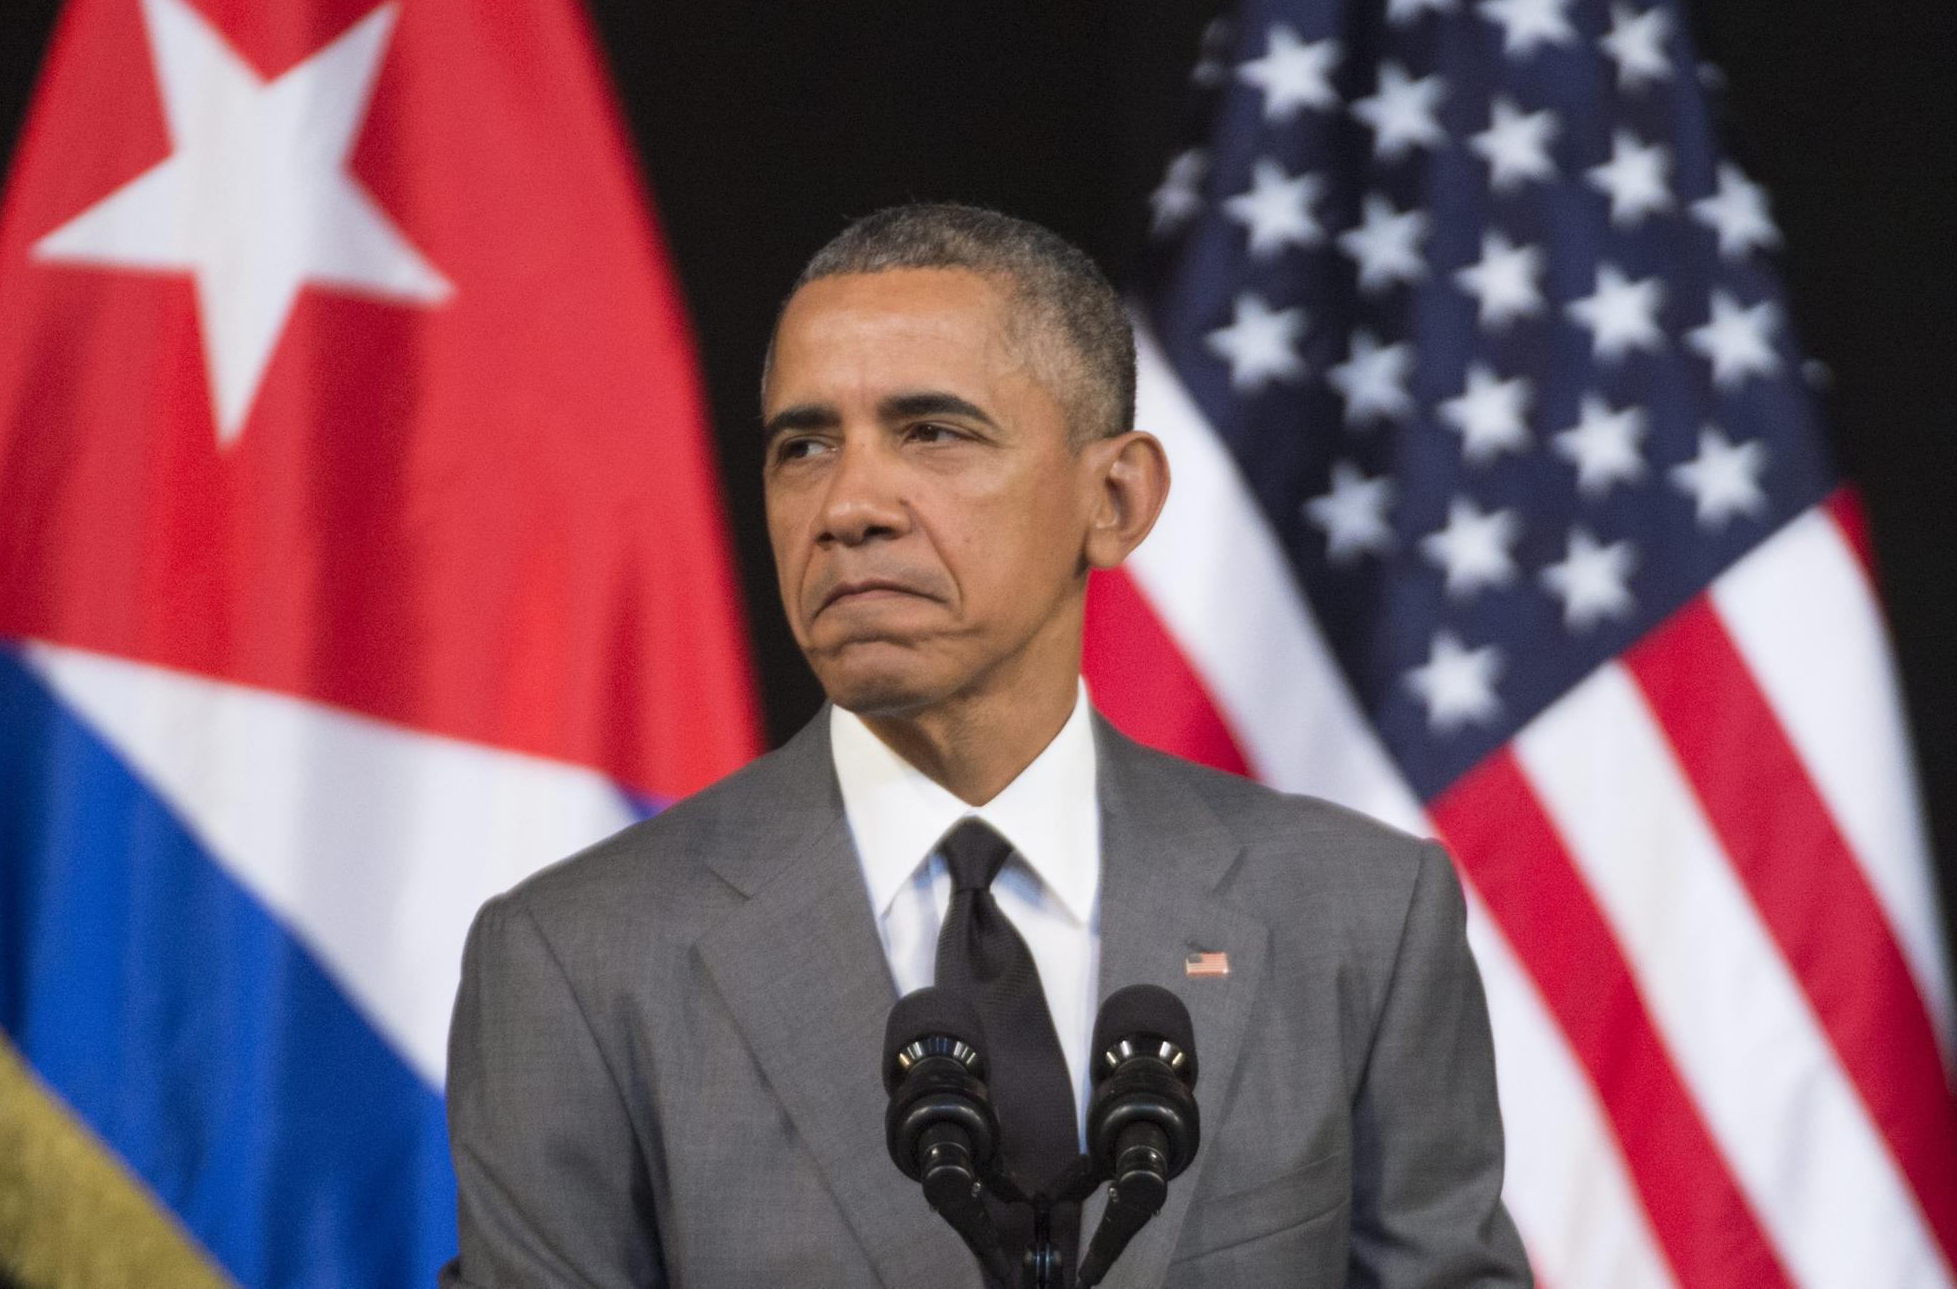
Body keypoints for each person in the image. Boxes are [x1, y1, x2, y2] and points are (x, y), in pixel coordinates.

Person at [441, 204, 1530, 1288]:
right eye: (804, 444)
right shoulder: (573, 961)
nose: (849, 503)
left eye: (933, 431)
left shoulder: (1357, 916)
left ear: (1114, 498)